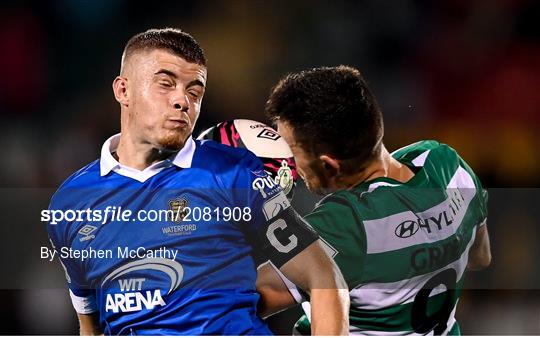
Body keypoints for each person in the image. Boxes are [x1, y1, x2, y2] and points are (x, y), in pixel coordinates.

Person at [46, 28, 349, 335]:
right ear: (123, 90)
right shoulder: (71, 202)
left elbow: (323, 277)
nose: (182, 101)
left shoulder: (233, 173)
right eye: (165, 84)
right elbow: (91, 327)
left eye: (194, 91)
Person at [258, 65, 491, 335]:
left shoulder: (346, 224)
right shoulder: (447, 165)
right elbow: (480, 257)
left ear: (329, 165)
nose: (287, 164)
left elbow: (238, 299)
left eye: (290, 151)